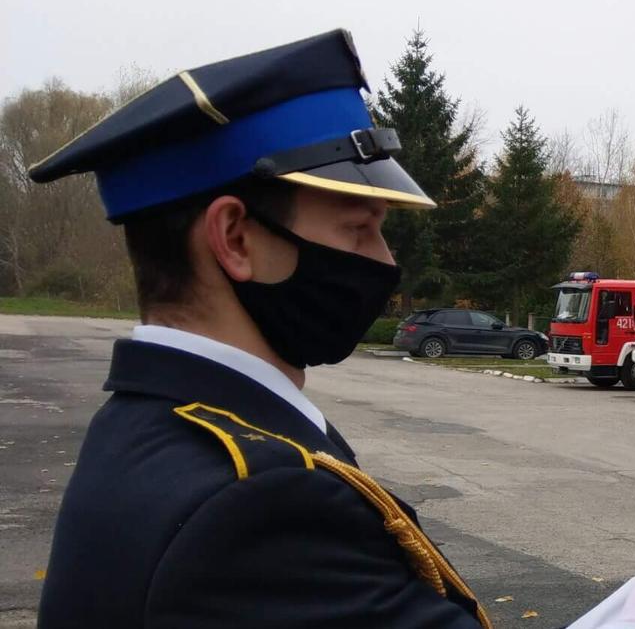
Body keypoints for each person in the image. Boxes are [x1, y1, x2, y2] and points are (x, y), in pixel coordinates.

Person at [31, 31, 491, 628]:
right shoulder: (262, 502)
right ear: (236, 239)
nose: (383, 262)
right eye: (358, 229)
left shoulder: (150, 427)